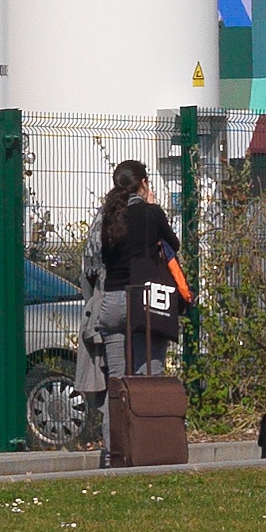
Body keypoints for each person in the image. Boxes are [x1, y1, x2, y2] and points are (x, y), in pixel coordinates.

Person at [92, 157, 188, 380]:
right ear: (144, 183)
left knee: (117, 381)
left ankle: (116, 416)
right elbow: (174, 245)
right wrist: (153, 207)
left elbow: (102, 256)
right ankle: (145, 415)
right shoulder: (151, 213)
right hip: (144, 299)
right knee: (148, 377)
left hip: (112, 302)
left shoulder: (110, 215)